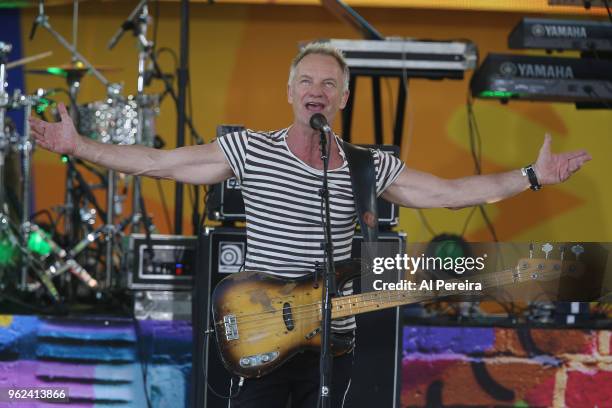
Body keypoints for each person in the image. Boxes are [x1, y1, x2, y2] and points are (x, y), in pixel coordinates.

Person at [29, 42, 591, 407]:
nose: (316, 91)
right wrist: (80, 146)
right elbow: (160, 162)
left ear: (342, 97)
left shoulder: (368, 165)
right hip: (261, 332)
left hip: (333, 339)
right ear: (291, 92)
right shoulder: (250, 149)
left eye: (327, 84)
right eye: (306, 81)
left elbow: (447, 194)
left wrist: (531, 177)